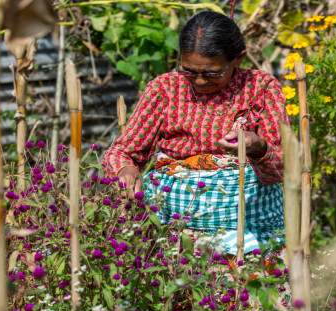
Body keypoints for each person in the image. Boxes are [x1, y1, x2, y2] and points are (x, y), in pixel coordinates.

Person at [103, 11, 289, 256]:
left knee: (250, 291)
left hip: (251, 229)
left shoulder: (261, 88)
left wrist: (258, 147)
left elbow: (281, 168)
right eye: (189, 71)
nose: (199, 81)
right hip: (176, 231)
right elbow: (122, 152)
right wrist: (125, 170)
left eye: (212, 73)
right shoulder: (165, 89)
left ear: (238, 59)